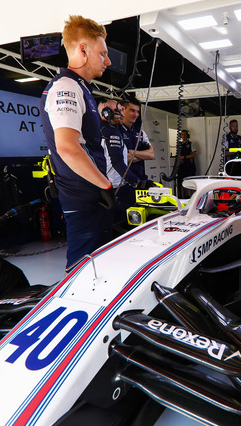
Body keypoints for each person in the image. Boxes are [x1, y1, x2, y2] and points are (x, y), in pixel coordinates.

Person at [40, 15, 115, 271]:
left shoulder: (80, 88)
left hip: (90, 197)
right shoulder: (66, 88)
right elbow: (68, 148)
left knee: (99, 265)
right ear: (83, 50)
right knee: (82, 270)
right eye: (102, 53)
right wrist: (104, 184)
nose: (108, 61)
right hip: (82, 198)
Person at [99, 98, 145, 227]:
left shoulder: (98, 129)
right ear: (106, 112)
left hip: (105, 187)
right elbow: (117, 162)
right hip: (116, 188)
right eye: (117, 111)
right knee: (127, 226)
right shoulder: (110, 131)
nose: (122, 114)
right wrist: (137, 183)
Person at [119, 97, 155, 180]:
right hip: (123, 181)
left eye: (137, 112)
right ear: (123, 110)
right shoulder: (116, 131)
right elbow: (121, 160)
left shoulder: (141, 132)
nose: (136, 115)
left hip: (140, 179)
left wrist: (132, 152)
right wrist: (142, 155)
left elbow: (151, 155)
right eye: (132, 110)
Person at [177, 129, 196, 198]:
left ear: (187, 135)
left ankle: (193, 196)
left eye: (185, 134)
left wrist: (184, 157)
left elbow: (194, 154)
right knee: (183, 182)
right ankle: (186, 196)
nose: (183, 136)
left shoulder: (191, 144)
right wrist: (180, 159)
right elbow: (178, 155)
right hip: (182, 166)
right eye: (182, 134)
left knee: (191, 182)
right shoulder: (179, 144)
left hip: (190, 166)